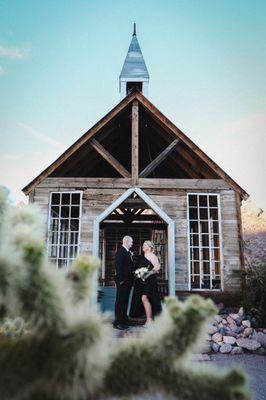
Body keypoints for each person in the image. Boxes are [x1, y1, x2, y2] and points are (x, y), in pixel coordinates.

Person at [129, 240, 162, 327]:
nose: (143, 246)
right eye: (143, 245)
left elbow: (157, 267)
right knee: (143, 299)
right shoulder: (142, 256)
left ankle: (149, 320)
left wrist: (147, 273)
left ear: (150, 247)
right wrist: (138, 273)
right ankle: (148, 319)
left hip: (149, 281)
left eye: (145, 245)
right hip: (141, 281)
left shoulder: (152, 256)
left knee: (145, 298)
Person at [113, 236, 134, 330]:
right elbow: (118, 266)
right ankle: (117, 322)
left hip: (128, 280)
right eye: (131, 242)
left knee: (125, 300)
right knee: (120, 301)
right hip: (122, 281)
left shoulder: (127, 252)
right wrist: (121, 280)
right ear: (126, 241)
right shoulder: (121, 251)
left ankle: (124, 319)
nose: (132, 244)